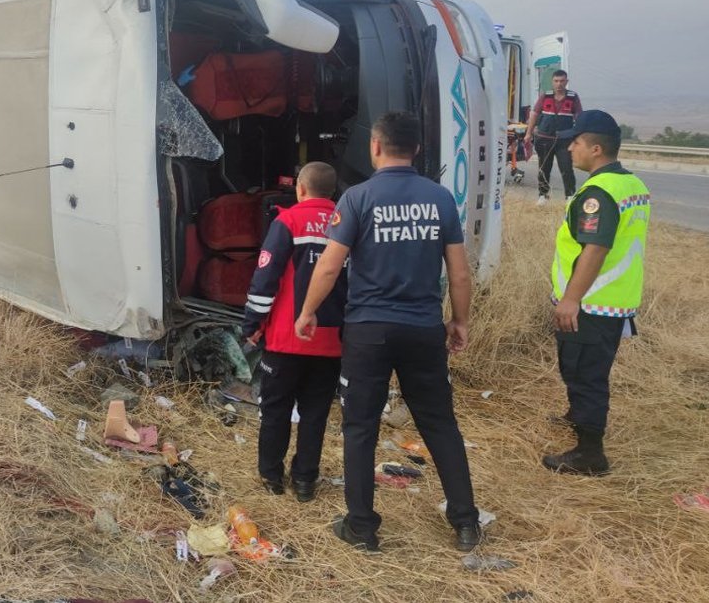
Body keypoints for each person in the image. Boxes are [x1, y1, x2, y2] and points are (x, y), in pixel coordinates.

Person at [294, 111, 480, 554]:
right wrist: (460, 321)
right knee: (440, 425)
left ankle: (362, 526)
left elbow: (330, 264)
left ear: (375, 147)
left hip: (368, 332)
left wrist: (307, 312)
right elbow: (459, 274)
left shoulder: (357, 198)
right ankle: (466, 522)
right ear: (415, 149)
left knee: (360, 427)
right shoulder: (439, 199)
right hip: (421, 329)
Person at [543, 110, 649, 476]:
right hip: (613, 301)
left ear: (597, 148)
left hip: (591, 303)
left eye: (577, 141)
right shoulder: (631, 185)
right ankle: (578, 417)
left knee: (585, 375)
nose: (570, 148)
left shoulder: (598, 194)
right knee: (587, 370)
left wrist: (571, 299)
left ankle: (590, 455)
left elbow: (596, 248)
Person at [241, 162, 347, 502]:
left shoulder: (287, 221)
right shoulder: (347, 223)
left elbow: (265, 279)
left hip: (287, 340)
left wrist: (252, 324)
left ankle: (272, 476)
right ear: (333, 192)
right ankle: (305, 481)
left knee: (276, 410)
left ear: (300, 189)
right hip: (331, 342)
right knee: (315, 414)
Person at [525, 69, 582, 205]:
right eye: (556, 81)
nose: (559, 84)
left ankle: (569, 196)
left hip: (564, 141)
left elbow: (579, 117)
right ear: (552, 82)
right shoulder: (545, 96)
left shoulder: (573, 97)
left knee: (566, 168)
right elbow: (534, 114)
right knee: (544, 168)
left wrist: (579, 137)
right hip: (544, 139)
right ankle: (543, 196)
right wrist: (528, 133)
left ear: (566, 82)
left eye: (562, 81)